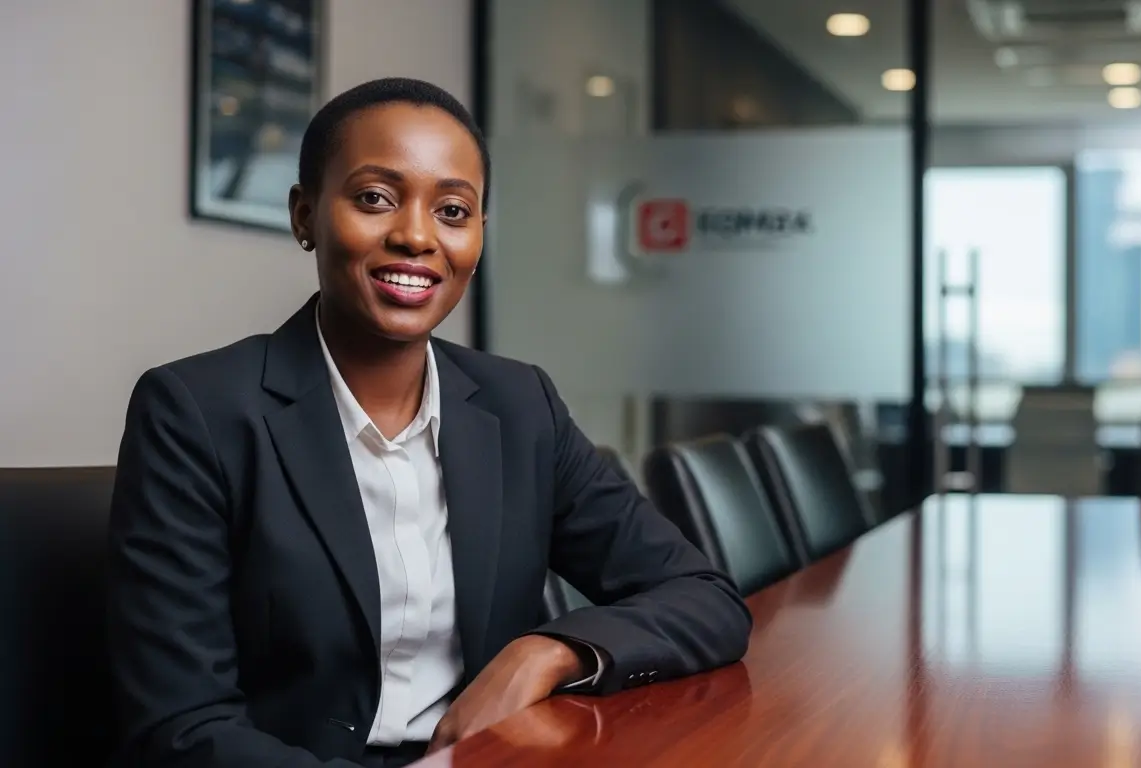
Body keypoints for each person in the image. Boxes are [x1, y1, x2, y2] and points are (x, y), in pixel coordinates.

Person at [106, 77, 751, 768]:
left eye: (452, 209)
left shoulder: (519, 405)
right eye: (375, 199)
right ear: (304, 216)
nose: (416, 236)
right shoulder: (195, 412)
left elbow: (704, 597)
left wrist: (548, 652)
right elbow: (180, 728)